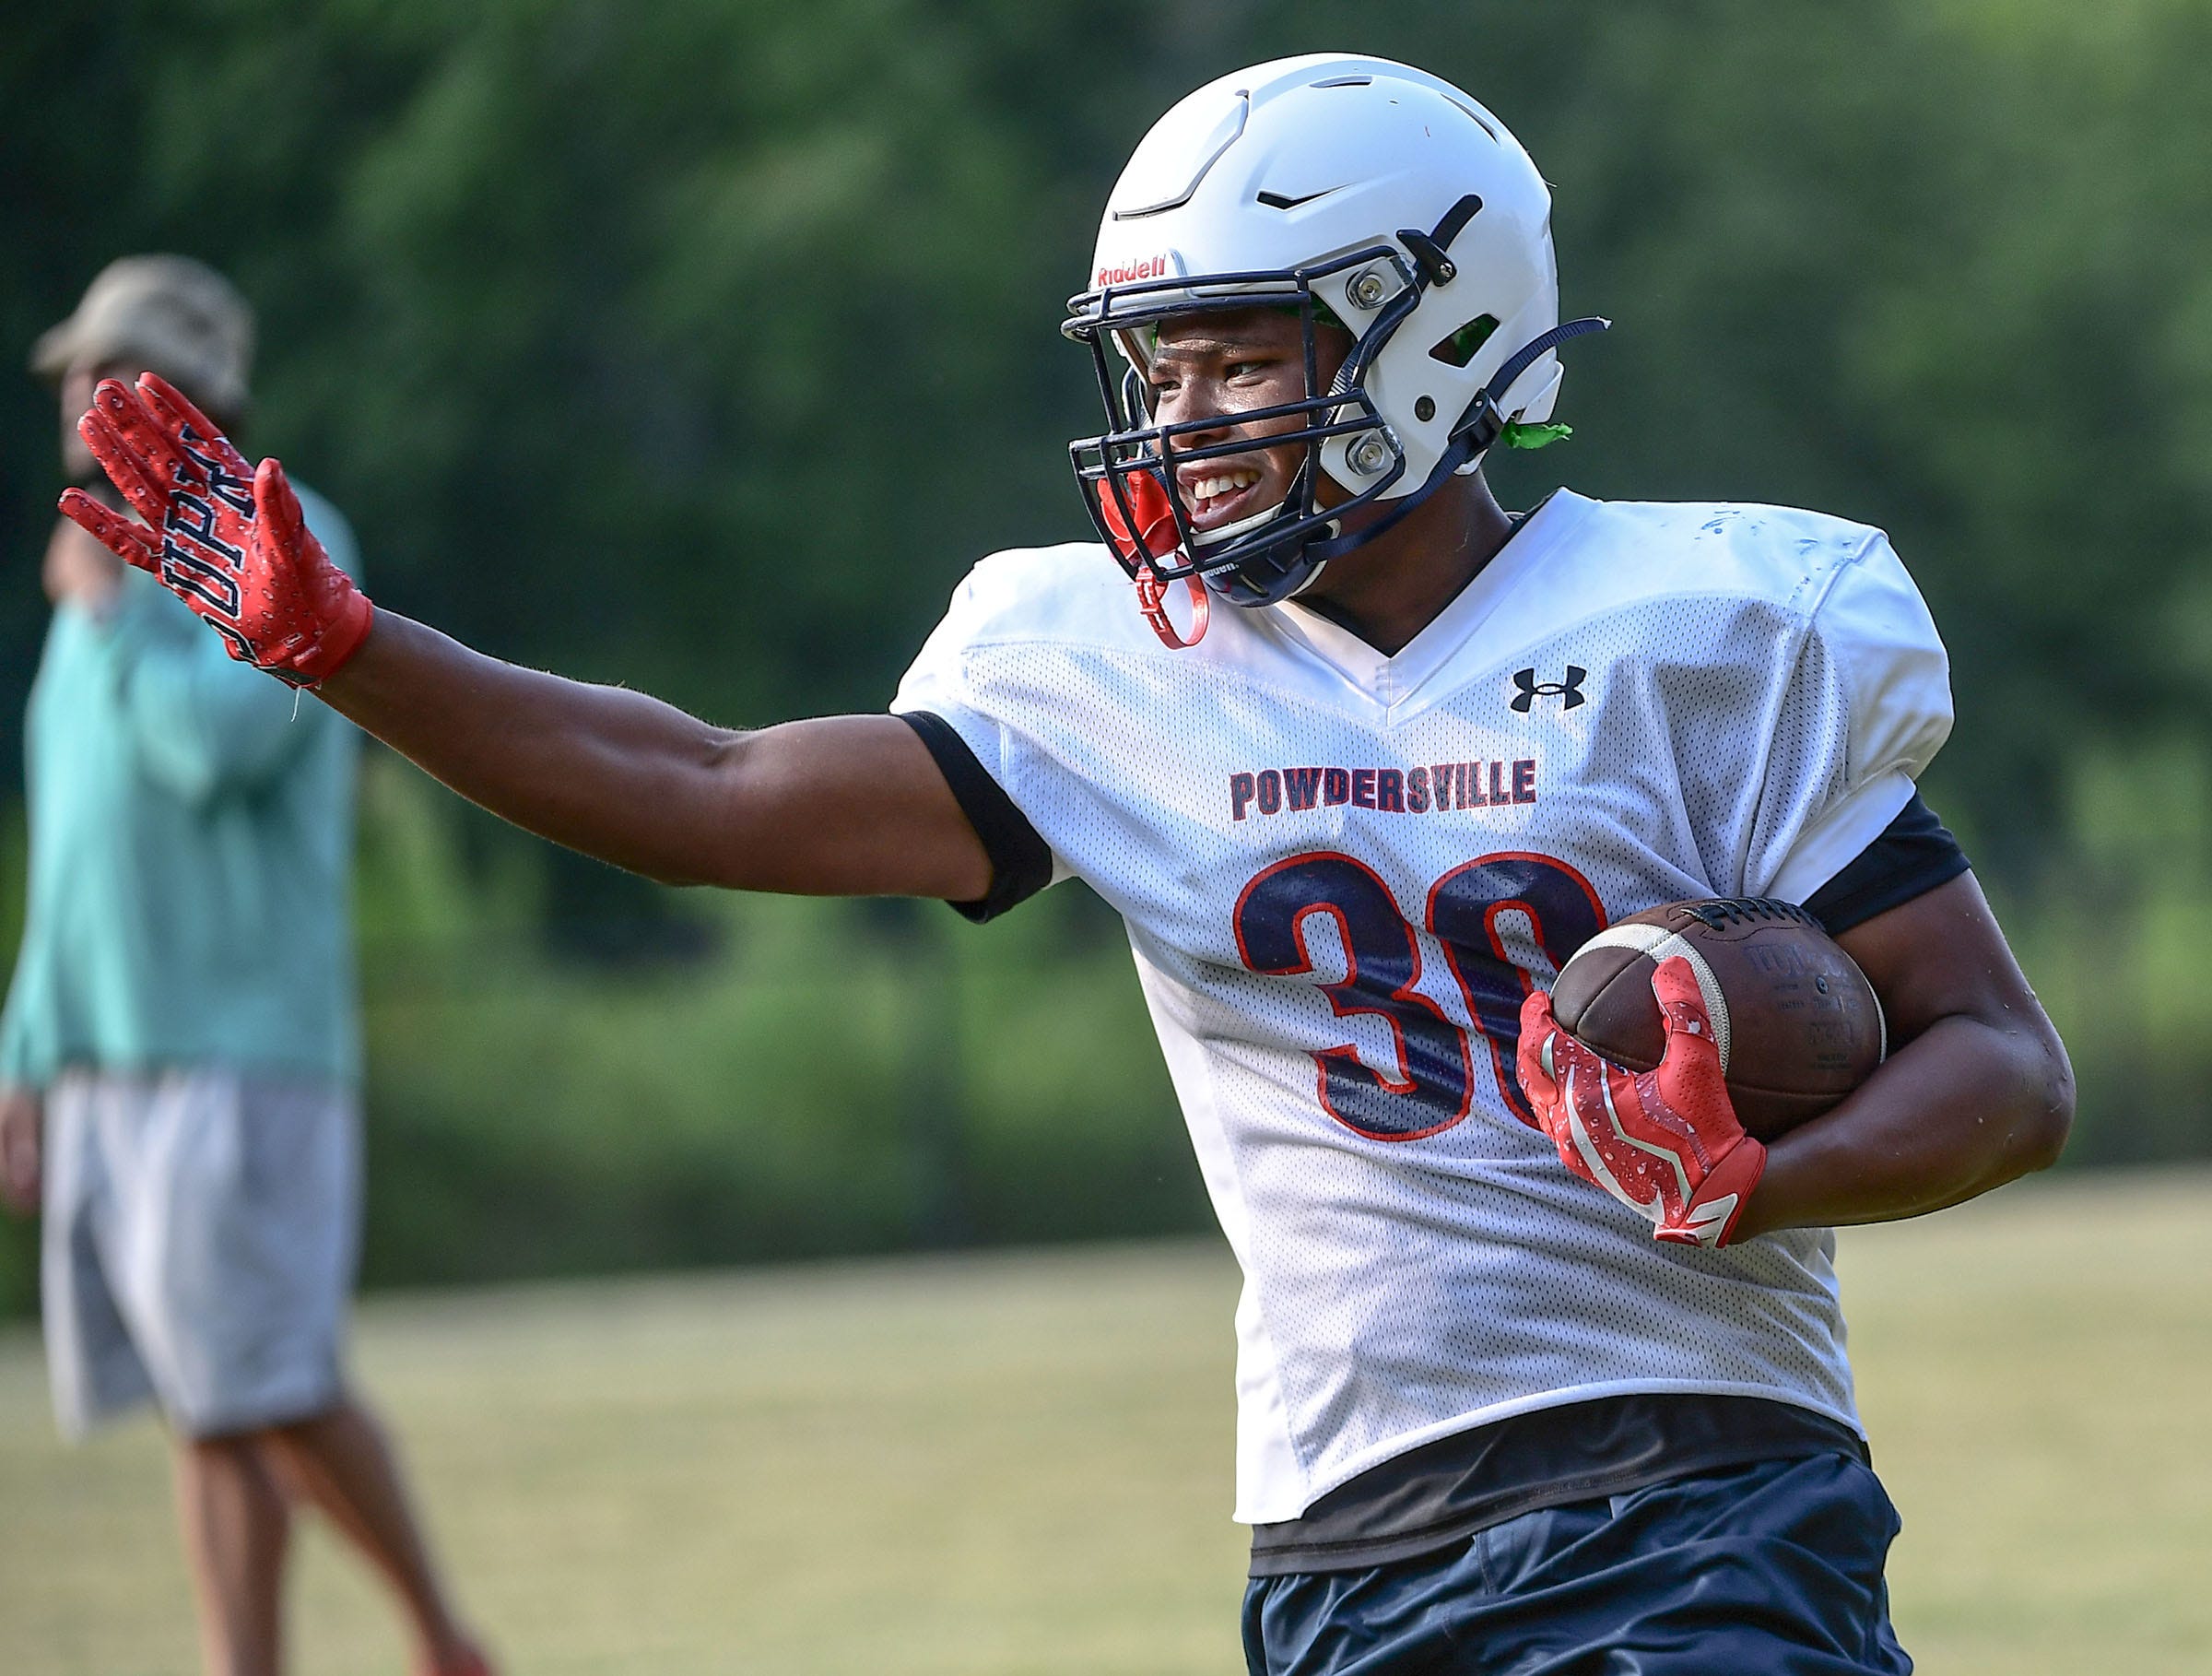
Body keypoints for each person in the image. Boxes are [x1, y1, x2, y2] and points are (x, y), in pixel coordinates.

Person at [61, 56, 2073, 1674]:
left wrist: (1763, 1178)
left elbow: (2001, 1060)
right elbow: (712, 783)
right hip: (1347, 1543)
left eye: (1236, 363)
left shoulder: (1704, 625)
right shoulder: (1115, 662)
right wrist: (356, 651)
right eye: (1159, 372)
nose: (1180, 426)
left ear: (1439, 333)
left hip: (1701, 1490)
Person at [1, 254, 493, 1676]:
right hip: (112, 1048)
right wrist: (32, 1050)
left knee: (265, 1383)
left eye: (120, 374)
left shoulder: (281, 540)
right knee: (201, 1400)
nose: (88, 404)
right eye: (79, 380)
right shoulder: (91, 573)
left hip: (240, 1046)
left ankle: (441, 1639)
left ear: (198, 396)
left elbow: (210, 752)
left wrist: (115, 613)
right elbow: (77, 837)